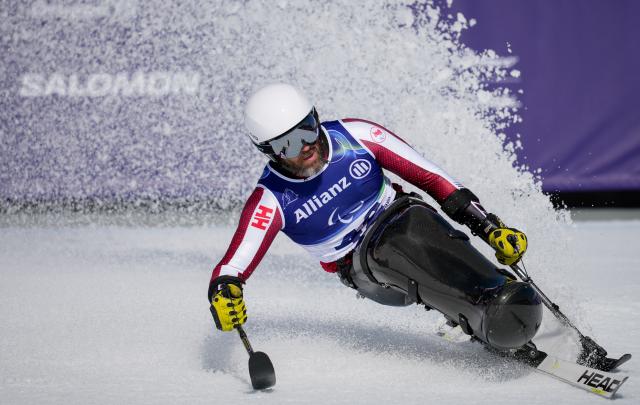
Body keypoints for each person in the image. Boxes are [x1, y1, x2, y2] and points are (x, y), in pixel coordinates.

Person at [209, 83, 536, 349]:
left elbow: (432, 178)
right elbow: (231, 269)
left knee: (414, 223)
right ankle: (483, 310)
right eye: (288, 143)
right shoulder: (270, 200)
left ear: (316, 117)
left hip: (404, 216)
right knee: (396, 243)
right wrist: (224, 296)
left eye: (308, 130)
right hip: (362, 267)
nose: (305, 145)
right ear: (268, 152)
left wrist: (491, 228)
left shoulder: (357, 136)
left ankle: (496, 288)